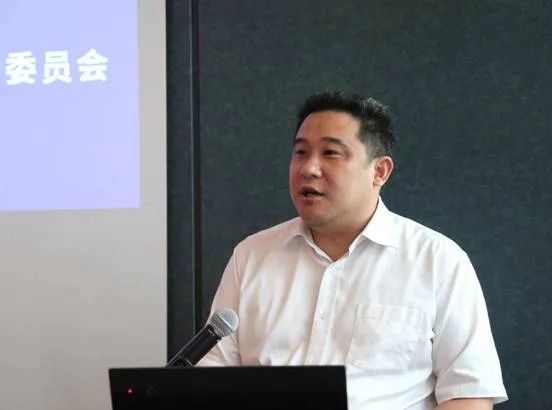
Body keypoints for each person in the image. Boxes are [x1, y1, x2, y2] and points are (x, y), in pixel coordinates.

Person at [198, 91, 507, 409]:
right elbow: (211, 376)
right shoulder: (251, 255)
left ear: (380, 171)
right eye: (301, 152)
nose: (308, 168)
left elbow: (469, 394)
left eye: (330, 153)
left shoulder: (438, 260)